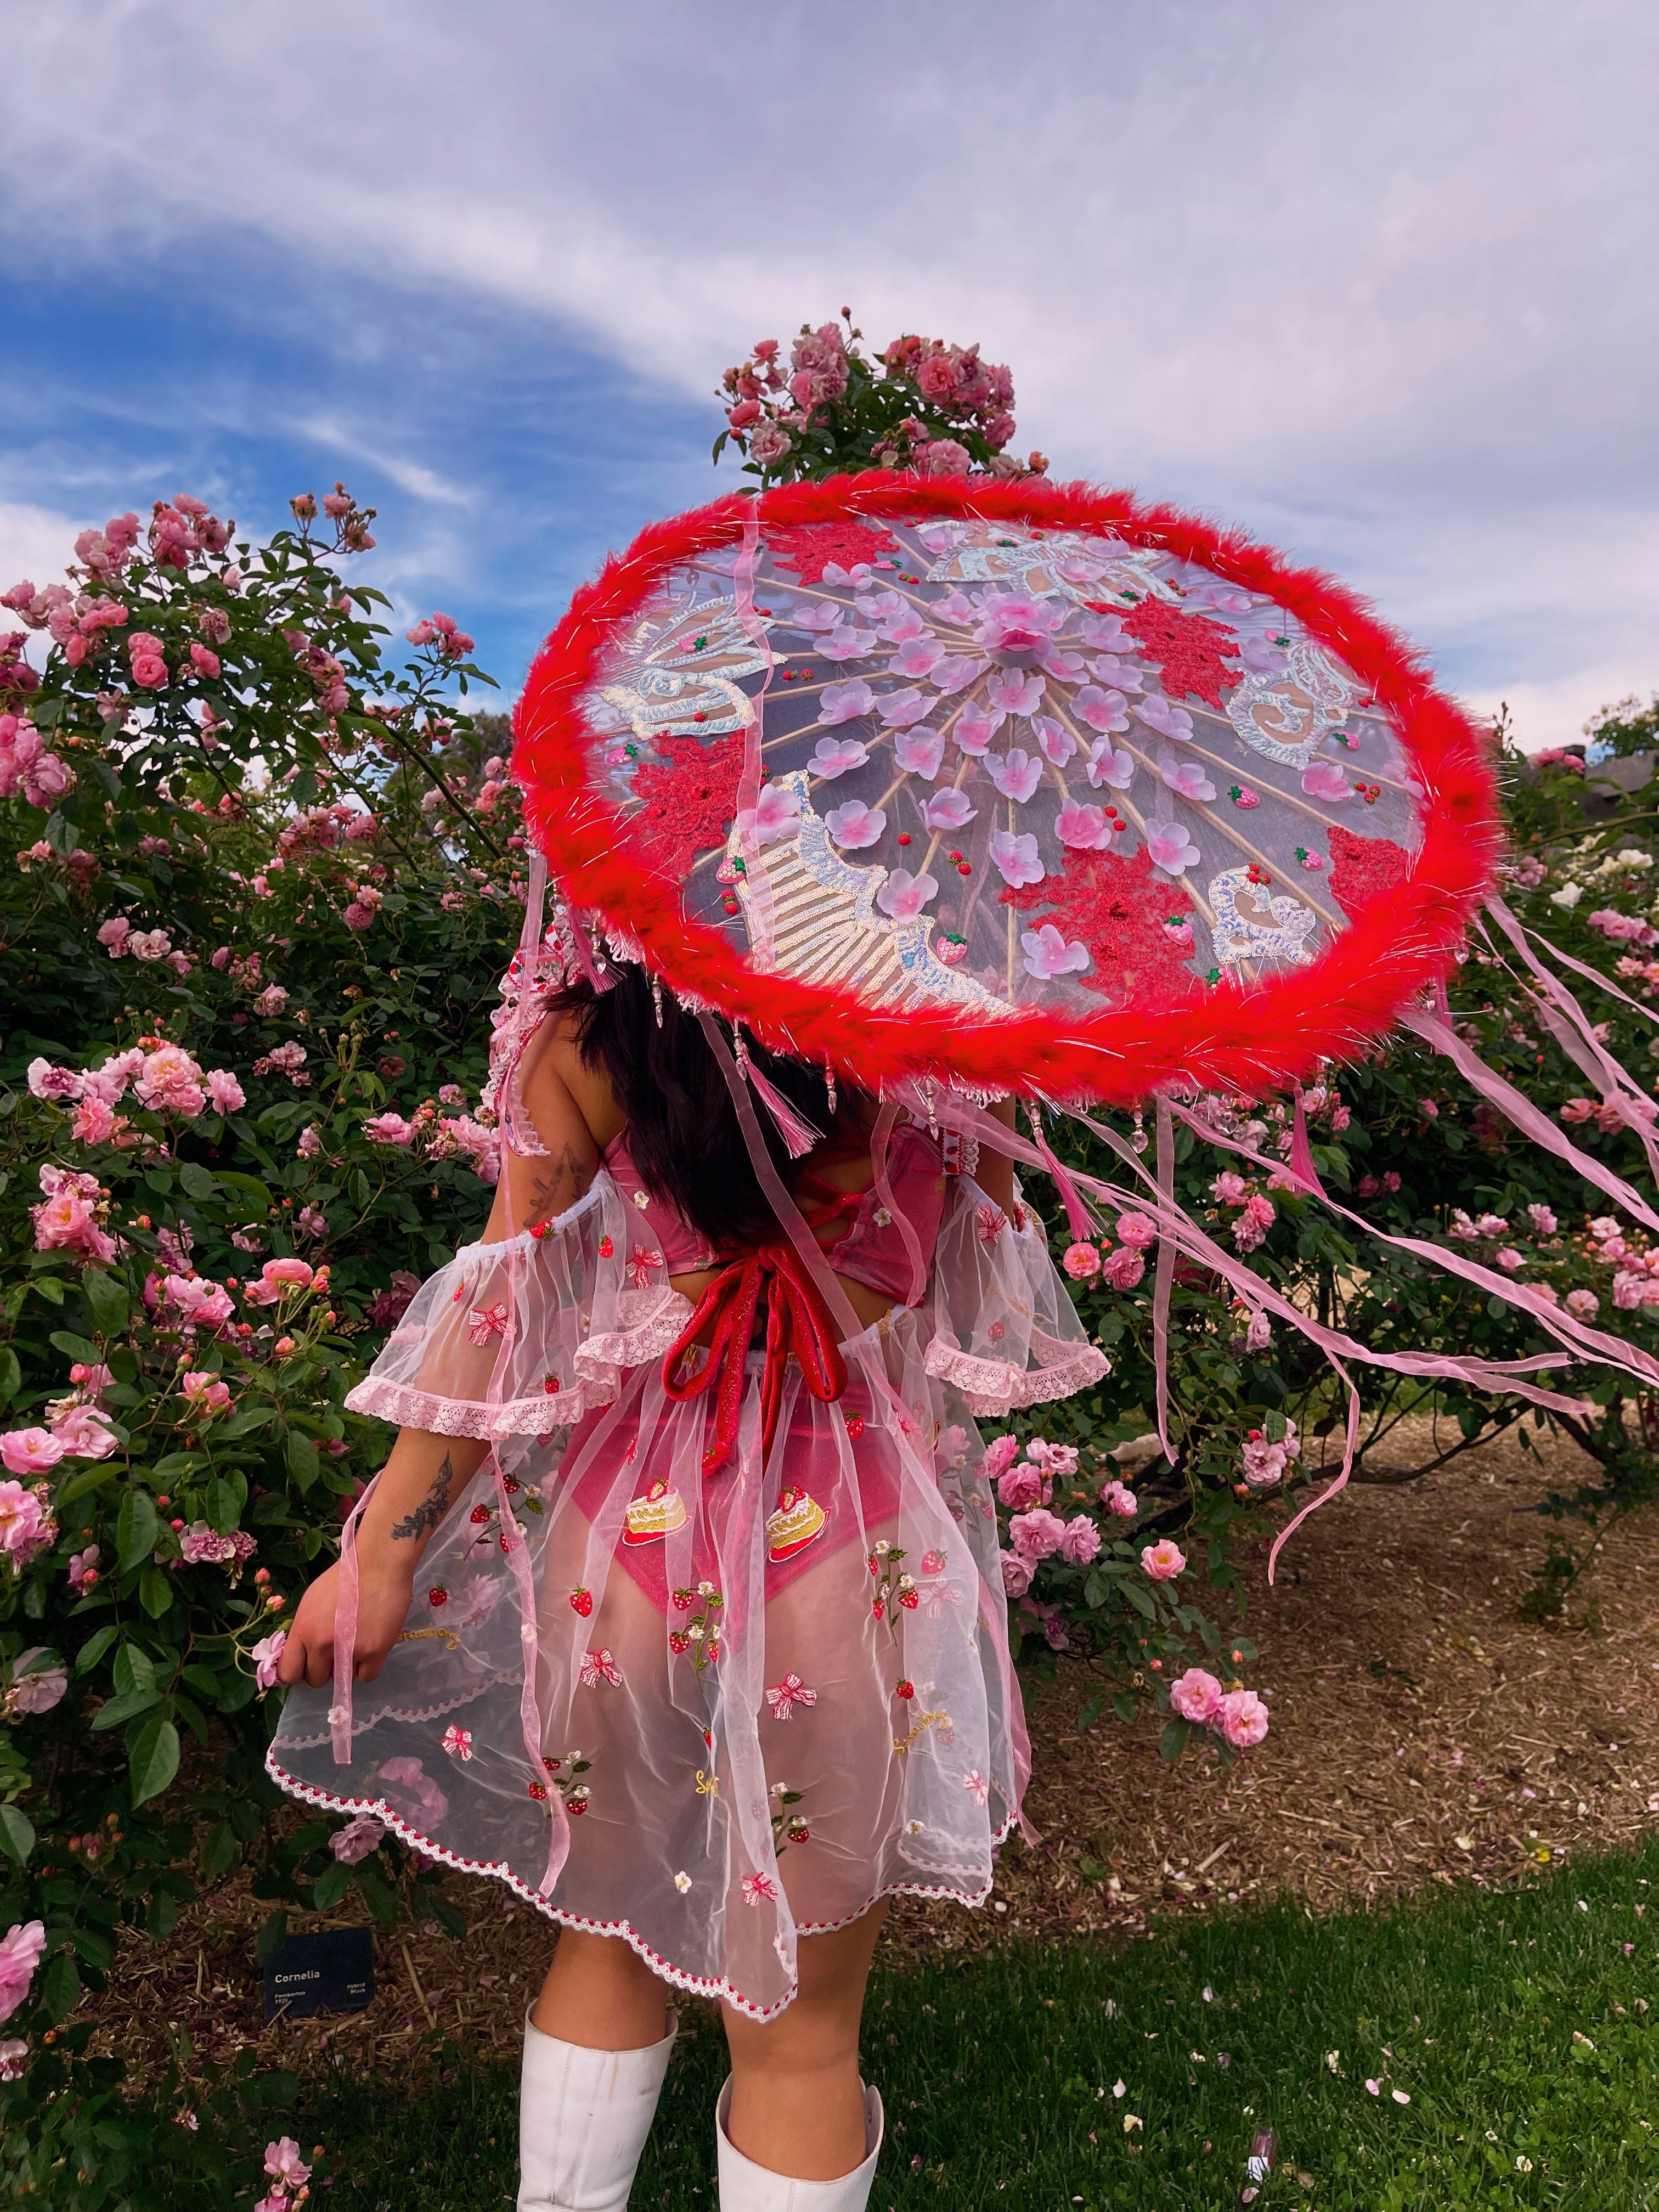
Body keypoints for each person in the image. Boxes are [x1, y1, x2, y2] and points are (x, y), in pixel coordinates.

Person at [270, 951, 1105, 2211]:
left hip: (626, 1545)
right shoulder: (953, 1049)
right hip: (850, 1550)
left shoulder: (592, 1040)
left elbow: (499, 1302)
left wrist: (377, 1556)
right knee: (804, 2031)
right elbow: (969, 1309)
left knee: (604, 1933)